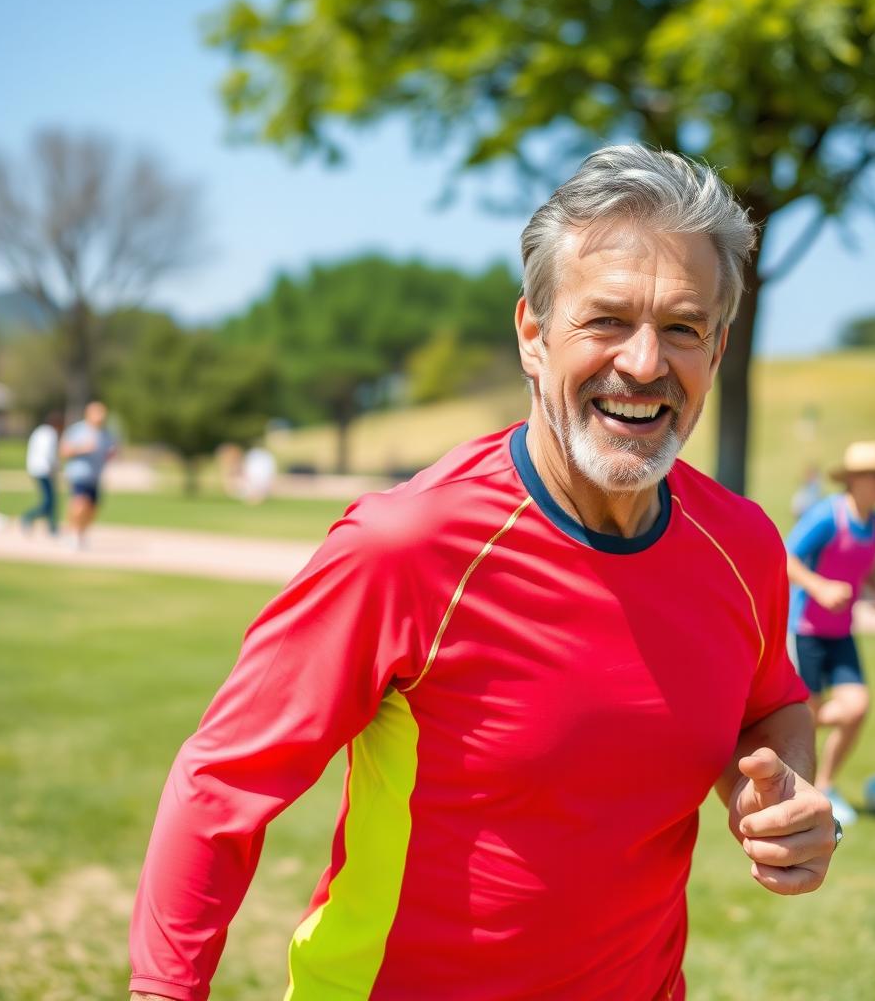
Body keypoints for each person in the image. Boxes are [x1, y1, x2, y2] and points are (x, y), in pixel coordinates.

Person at [129, 145, 837, 1001]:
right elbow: (222, 780)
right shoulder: (406, 547)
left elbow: (769, 704)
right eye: (606, 320)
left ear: (717, 351)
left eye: (683, 327)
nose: (646, 364)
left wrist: (782, 787)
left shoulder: (744, 546)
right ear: (534, 336)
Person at [786, 440, 875, 826]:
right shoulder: (827, 516)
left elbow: (863, 561)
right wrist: (819, 586)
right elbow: (783, 554)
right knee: (805, 718)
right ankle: (799, 792)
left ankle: (826, 784)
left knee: (856, 707)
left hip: (841, 632)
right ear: (854, 480)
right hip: (806, 629)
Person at [60, 401, 116, 550]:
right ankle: (72, 534)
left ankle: (81, 534)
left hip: (95, 476)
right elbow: (64, 451)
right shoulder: (78, 430)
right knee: (79, 504)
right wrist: (82, 448)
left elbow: (109, 453)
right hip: (78, 474)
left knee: (92, 508)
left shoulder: (106, 434)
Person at [20, 411, 64, 536]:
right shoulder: (50, 433)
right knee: (49, 501)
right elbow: (48, 453)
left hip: (36, 468)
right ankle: (28, 517)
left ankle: (52, 527)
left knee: (51, 500)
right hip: (45, 470)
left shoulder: (39, 431)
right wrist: (54, 467)